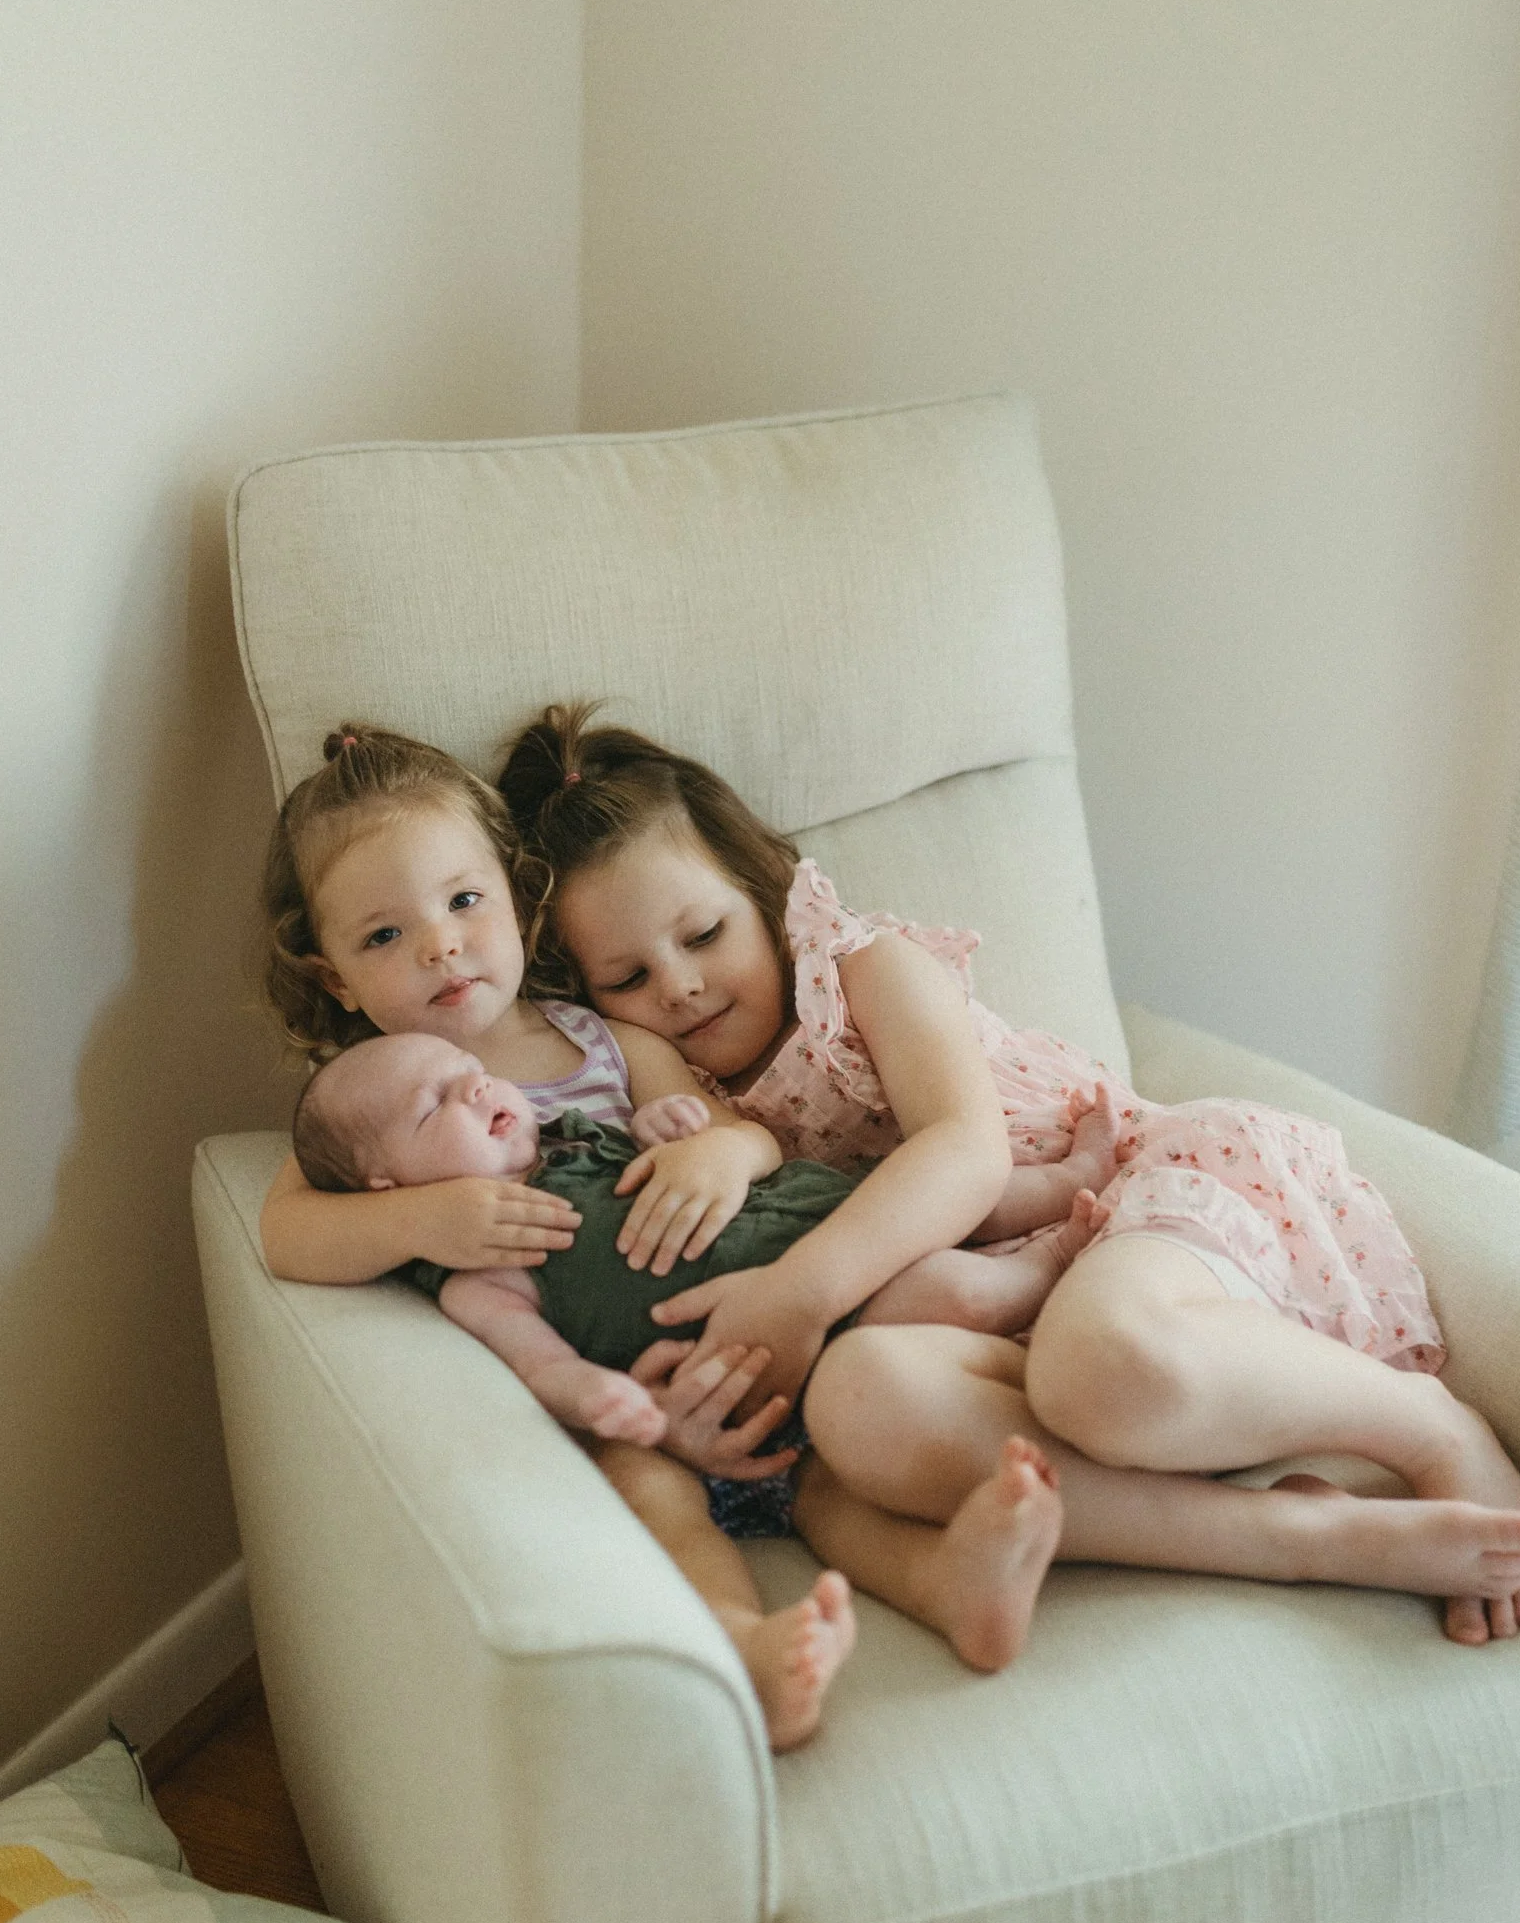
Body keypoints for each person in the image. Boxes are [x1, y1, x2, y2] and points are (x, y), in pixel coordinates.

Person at [498, 702, 1520, 1649]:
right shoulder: (681, 1116)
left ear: (760, 887)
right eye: (628, 977)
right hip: (1004, 1326)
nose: (679, 985)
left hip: (1133, 1212)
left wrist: (802, 1290)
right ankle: (1299, 1535)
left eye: (703, 933)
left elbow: (966, 1150)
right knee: (857, 1402)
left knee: (1096, 1369)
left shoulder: (863, 971)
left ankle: (1427, 1424)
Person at [253, 726, 1085, 1742]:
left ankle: (949, 1579)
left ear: (517, 901)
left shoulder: (614, 1039)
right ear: (334, 977)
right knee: (657, 1495)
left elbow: (753, 1138)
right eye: (381, 937)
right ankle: (745, 1642)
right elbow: (287, 1231)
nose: (438, 945)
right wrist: (425, 1215)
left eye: (464, 902)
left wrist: (716, 1153)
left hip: (763, 1332)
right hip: (630, 1395)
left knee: (823, 1479)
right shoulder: (366, 1098)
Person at [293, 1029, 1092, 1727]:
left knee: (950, 1283)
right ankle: (765, 1640)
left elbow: (711, 1156)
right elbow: (537, 1362)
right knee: (670, 1496)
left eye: (469, 1069)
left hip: (839, 1309)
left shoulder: (586, 1137)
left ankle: (1058, 1229)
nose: (474, 1086)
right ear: (387, 1188)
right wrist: (609, 1401)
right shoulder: (475, 1269)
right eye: (435, 1106)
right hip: (690, 1425)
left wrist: (665, 1131)